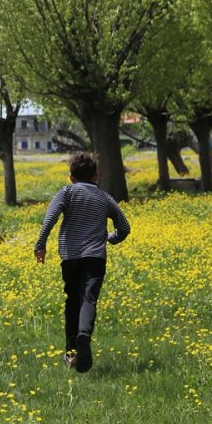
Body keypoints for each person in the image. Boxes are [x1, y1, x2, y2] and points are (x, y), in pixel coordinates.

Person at [34, 152, 130, 373]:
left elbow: (50, 219)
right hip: (95, 257)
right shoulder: (105, 198)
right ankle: (84, 335)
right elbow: (124, 227)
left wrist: (40, 245)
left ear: (71, 177)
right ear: (96, 176)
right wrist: (110, 238)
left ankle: (71, 352)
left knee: (72, 301)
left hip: (70, 257)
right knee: (88, 299)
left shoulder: (66, 193)